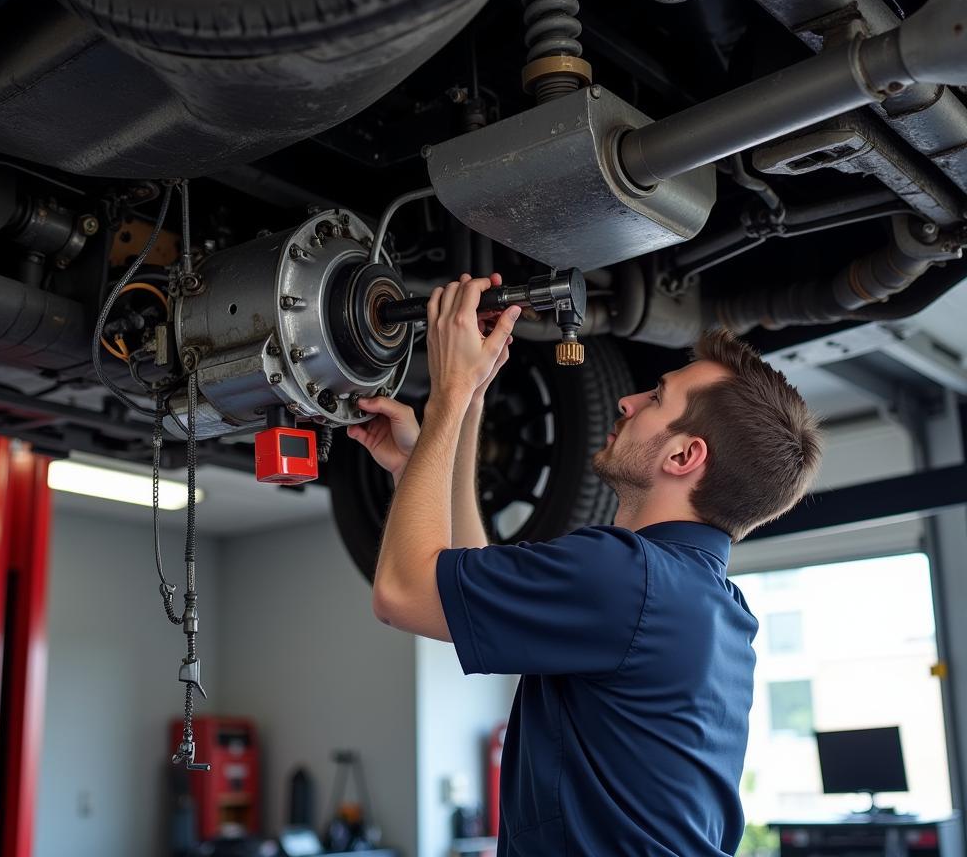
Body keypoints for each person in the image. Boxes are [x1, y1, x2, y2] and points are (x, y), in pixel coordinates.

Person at [347, 272, 822, 857]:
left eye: (655, 399)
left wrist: (447, 391)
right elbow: (467, 578)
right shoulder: (713, 603)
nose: (628, 400)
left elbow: (400, 593)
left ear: (683, 455)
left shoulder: (632, 578)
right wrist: (466, 405)